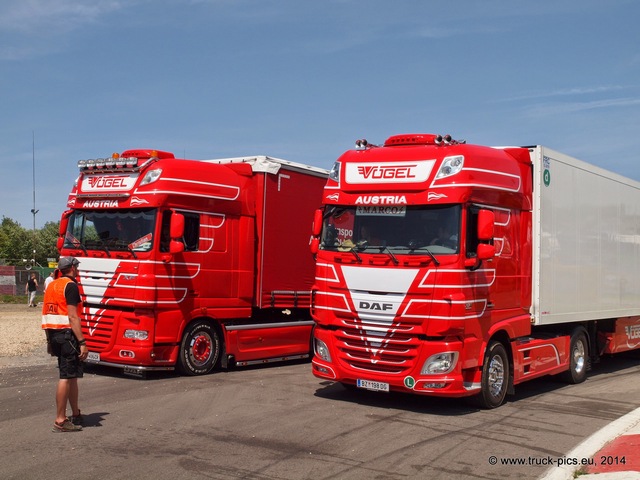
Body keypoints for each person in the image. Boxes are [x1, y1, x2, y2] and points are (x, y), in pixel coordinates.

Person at [42, 257, 88, 433]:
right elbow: (72, 316)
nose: (77, 270)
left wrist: (49, 340)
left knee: (72, 376)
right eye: (76, 267)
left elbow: (47, 313)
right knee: (66, 376)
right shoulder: (71, 286)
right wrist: (82, 342)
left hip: (54, 334)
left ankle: (75, 413)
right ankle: (60, 420)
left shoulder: (52, 285)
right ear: (72, 268)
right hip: (68, 335)